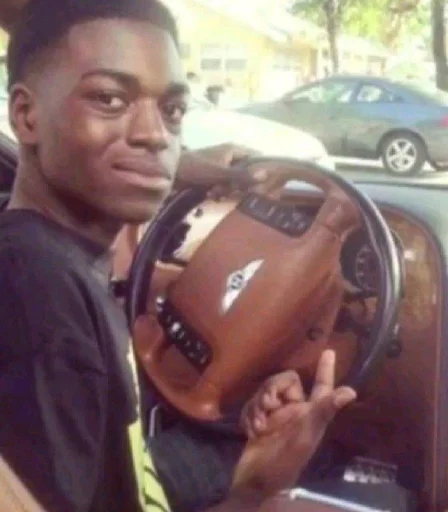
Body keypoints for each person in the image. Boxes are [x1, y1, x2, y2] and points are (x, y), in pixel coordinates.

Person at [0, 0, 357, 511]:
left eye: (172, 110)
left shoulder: (47, 258)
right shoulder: (40, 298)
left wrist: (251, 477)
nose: (155, 135)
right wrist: (251, 494)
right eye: (109, 99)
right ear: (25, 115)